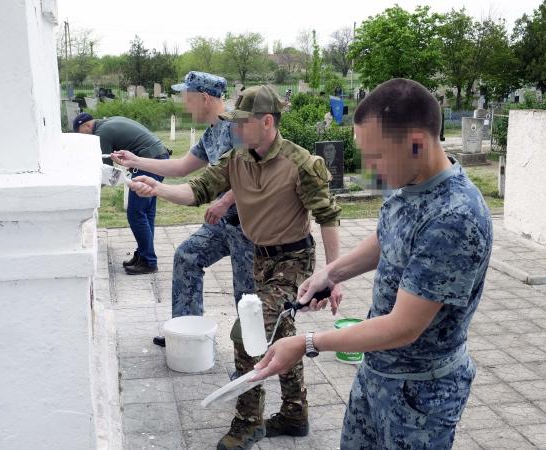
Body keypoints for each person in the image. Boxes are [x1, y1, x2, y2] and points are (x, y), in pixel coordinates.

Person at [251, 78, 493, 449]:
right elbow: (386, 237)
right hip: (377, 373)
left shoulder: (455, 218)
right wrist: (331, 273)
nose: (370, 167)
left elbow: (402, 327)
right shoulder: (408, 181)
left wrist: (308, 343)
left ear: (417, 143)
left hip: (420, 396)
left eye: (376, 156)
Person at [128, 85, 343, 450]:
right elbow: (196, 190)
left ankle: (248, 422)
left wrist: (333, 276)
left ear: (267, 122)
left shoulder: (301, 164)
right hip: (259, 257)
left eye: (243, 123)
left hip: (293, 260)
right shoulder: (236, 159)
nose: (236, 129)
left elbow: (327, 216)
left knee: (248, 333)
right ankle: (295, 414)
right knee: (281, 332)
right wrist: (158, 190)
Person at [111, 71, 255, 348]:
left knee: (247, 294)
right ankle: (185, 332)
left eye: (187, 97)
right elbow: (180, 167)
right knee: (187, 256)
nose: (184, 104)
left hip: (250, 225)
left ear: (204, 98)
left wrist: (225, 200)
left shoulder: (238, 127)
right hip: (223, 222)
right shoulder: (211, 133)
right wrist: (135, 161)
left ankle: (257, 351)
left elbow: (253, 174)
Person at [73, 113, 170, 275]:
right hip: (158, 156)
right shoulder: (108, 122)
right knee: (146, 213)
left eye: (80, 133)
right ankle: (143, 255)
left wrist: (90, 191)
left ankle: (148, 262)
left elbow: (105, 170)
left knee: (136, 213)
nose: (83, 138)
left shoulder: (101, 133)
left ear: (87, 126)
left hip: (149, 161)